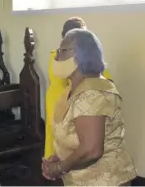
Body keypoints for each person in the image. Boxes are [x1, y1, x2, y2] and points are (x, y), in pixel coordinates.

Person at [42, 29, 136, 186]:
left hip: (104, 180)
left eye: (62, 51)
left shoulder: (93, 92)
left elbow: (91, 150)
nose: (56, 57)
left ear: (80, 54)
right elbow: (74, 135)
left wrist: (60, 168)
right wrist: (62, 155)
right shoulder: (72, 89)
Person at [44, 17, 112, 159]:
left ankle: (56, 163)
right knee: (71, 140)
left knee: (64, 141)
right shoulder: (73, 59)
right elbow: (105, 78)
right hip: (66, 102)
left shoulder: (55, 56)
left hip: (61, 101)